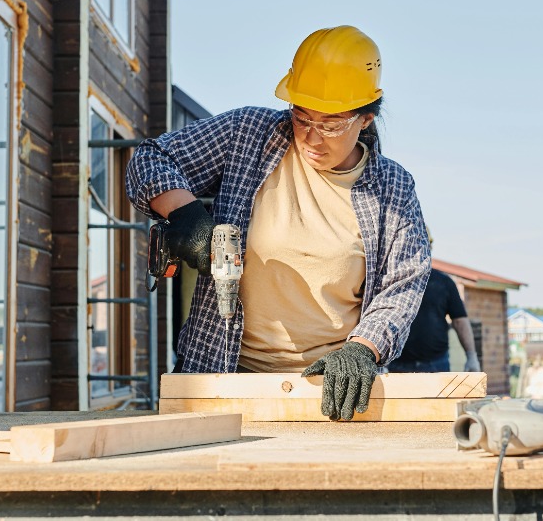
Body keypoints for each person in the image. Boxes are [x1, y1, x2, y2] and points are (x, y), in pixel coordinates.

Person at [126, 25, 431, 421]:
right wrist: (185, 213)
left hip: (330, 391)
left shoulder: (393, 187)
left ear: (366, 118)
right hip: (218, 373)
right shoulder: (249, 135)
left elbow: (403, 284)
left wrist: (363, 348)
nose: (311, 137)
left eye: (331, 124)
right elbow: (150, 159)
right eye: (302, 117)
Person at [388, 268, 482, 373]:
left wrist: (471, 356)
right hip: (397, 364)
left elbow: (460, 320)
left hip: (436, 364)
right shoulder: (393, 280)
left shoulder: (444, 282)